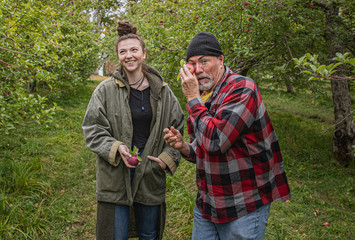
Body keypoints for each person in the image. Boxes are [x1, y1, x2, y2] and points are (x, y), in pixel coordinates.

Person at [164, 32, 291, 240]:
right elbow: (203, 146)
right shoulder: (203, 95)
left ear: (221, 60)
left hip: (243, 203)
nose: (198, 69)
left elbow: (216, 141)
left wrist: (192, 98)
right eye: (193, 63)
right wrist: (183, 146)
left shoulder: (242, 88)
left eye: (205, 61)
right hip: (208, 202)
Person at [82, 21, 184, 240]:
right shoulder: (105, 90)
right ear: (117, 56)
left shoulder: (163, 92)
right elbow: (92, 128)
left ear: (144, 54)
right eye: (123, 51)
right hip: (116, 172)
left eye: (134, 50)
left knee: (149, 233)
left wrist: (167, 157)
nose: (129, 55)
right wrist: (116, 147)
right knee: (115, 234)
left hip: (150, 171)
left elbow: (179, 129)